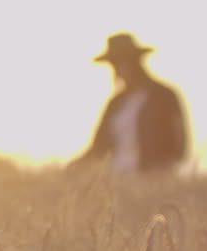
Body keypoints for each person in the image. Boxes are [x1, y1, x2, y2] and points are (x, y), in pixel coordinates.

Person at [69, 33, 189, 174]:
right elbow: (99, 145)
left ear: (135, 62)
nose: (117, 68)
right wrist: (72, 168)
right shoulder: (116, 103)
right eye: (114, 64)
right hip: (118, 177)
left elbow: (180, 139)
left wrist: (164, 169)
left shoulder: (164, 96)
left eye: (121, 62)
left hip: (154, 177)